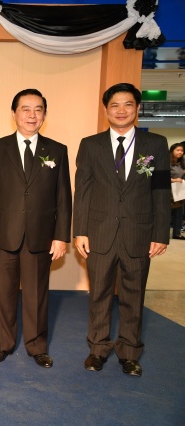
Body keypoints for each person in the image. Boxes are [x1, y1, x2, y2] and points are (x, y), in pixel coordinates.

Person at [74, 83, 171, 377]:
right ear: (106, 109)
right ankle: (98, 348)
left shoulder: (155, 144)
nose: (121, 110)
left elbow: (160, 191)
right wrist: (80, 231)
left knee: (133, 295)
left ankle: (129, 352)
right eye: (114, 105)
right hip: (99, 233)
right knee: (99, 294)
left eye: (128, 104)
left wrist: (160, 234)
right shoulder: (90, 145)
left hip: (138, 233)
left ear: (138, 108)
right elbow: (83, 191)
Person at [0, 89, 72, 368]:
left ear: (44, 115)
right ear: (14, 114)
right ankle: (2, 344)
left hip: (40, 236)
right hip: (4, 234)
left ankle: (37, 346)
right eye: (25, 109)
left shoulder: (57, 150)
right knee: (3, 294)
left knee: (37, 296)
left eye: (38, 109)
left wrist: (61, 236)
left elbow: (63, 196)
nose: (32, 115)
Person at [169, 142, 185, 239]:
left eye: (182, 151)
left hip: (179, 191)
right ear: (172, 151)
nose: (180, 152)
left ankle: (177, 233)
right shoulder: (167, 162)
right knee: (167, 214)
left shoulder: (181, 163)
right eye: (178, 150)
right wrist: (174, 180)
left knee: (179, 213)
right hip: (169, 191)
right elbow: (161, 177)